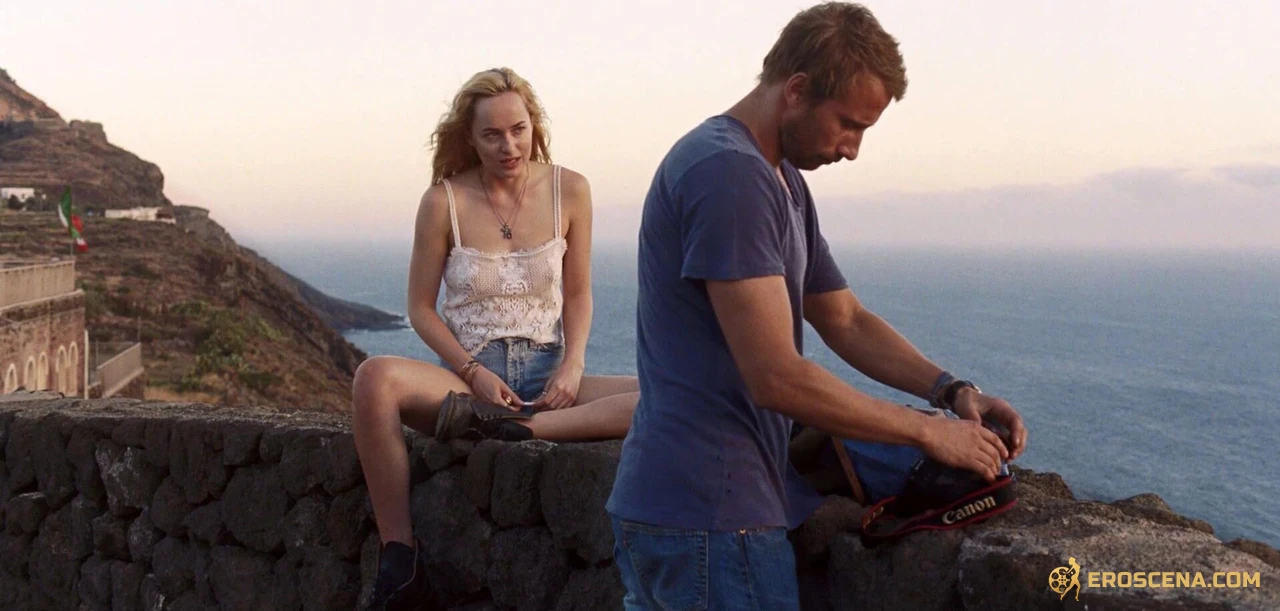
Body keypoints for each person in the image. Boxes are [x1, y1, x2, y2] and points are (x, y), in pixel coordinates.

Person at [605, 3, 1029, 609]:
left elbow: (844, 318)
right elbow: (775, 376)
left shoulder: (779, 180)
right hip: (712, 517)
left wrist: (953, 391)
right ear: (797, 90)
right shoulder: (729, 175)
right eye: (848, 124)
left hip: (684, 511)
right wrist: (928, 434)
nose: (853, 149)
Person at [352, 67, 639, 611]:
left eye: (518, 129)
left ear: (534, 126)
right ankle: (399, 558)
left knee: (667, 395)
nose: (509, 146)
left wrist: (573, 366)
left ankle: (522, 429)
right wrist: (471, 371)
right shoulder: (442, 202)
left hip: (550, 379)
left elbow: (579, 294)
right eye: (492, 135)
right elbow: (420, 308)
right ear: (469, 137)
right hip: (469, 386)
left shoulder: (571, 190)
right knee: (374, 379)